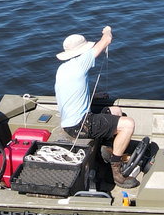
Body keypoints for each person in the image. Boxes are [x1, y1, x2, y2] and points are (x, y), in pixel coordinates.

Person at [54, 25, 139, 188]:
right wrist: (106, 30)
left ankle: (107, 151)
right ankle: (117, 171)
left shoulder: (63, 69)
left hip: (70, 123)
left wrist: (94, 96)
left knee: (116, 111)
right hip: (80, 125)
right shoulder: (81, 62)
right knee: (129, 124)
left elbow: (73, 93)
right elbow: (106, 40)